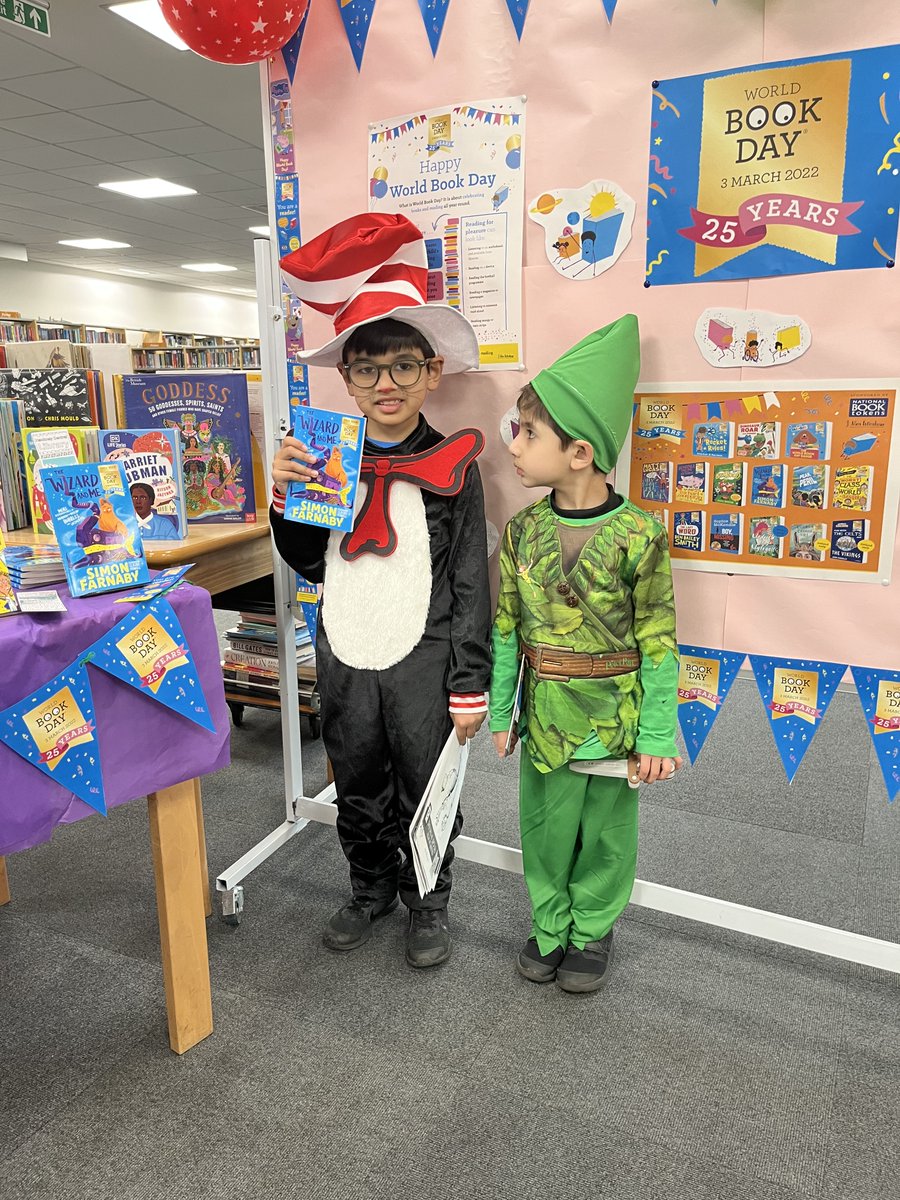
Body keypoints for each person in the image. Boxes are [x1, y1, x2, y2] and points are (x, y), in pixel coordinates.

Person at [270, 213, 492, 969]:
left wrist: (469, 679)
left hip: (425, 656)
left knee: (426, 781)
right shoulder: (324, 457)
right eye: (367, 369)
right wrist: (283, 500)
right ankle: (369, 886)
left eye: (403, 367)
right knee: (357, 772)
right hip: (345, 647)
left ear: (432, 373)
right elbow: (308, 560)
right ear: (347, 379)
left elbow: (471, 578)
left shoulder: (455, 465)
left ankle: (426, 899)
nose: (385, 383)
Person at [489, 315, 682, 994]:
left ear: (578, 452)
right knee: (544, 827)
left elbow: (659, 641)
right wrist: (502, 710)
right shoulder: (519, 532)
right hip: (544, 713)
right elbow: (507, 628)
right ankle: (548, 928)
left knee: (604, 834)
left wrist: (658, 731)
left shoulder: (639, 536)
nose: (513, 444)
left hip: (613, 716)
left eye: (529, 432)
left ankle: (592, 929)